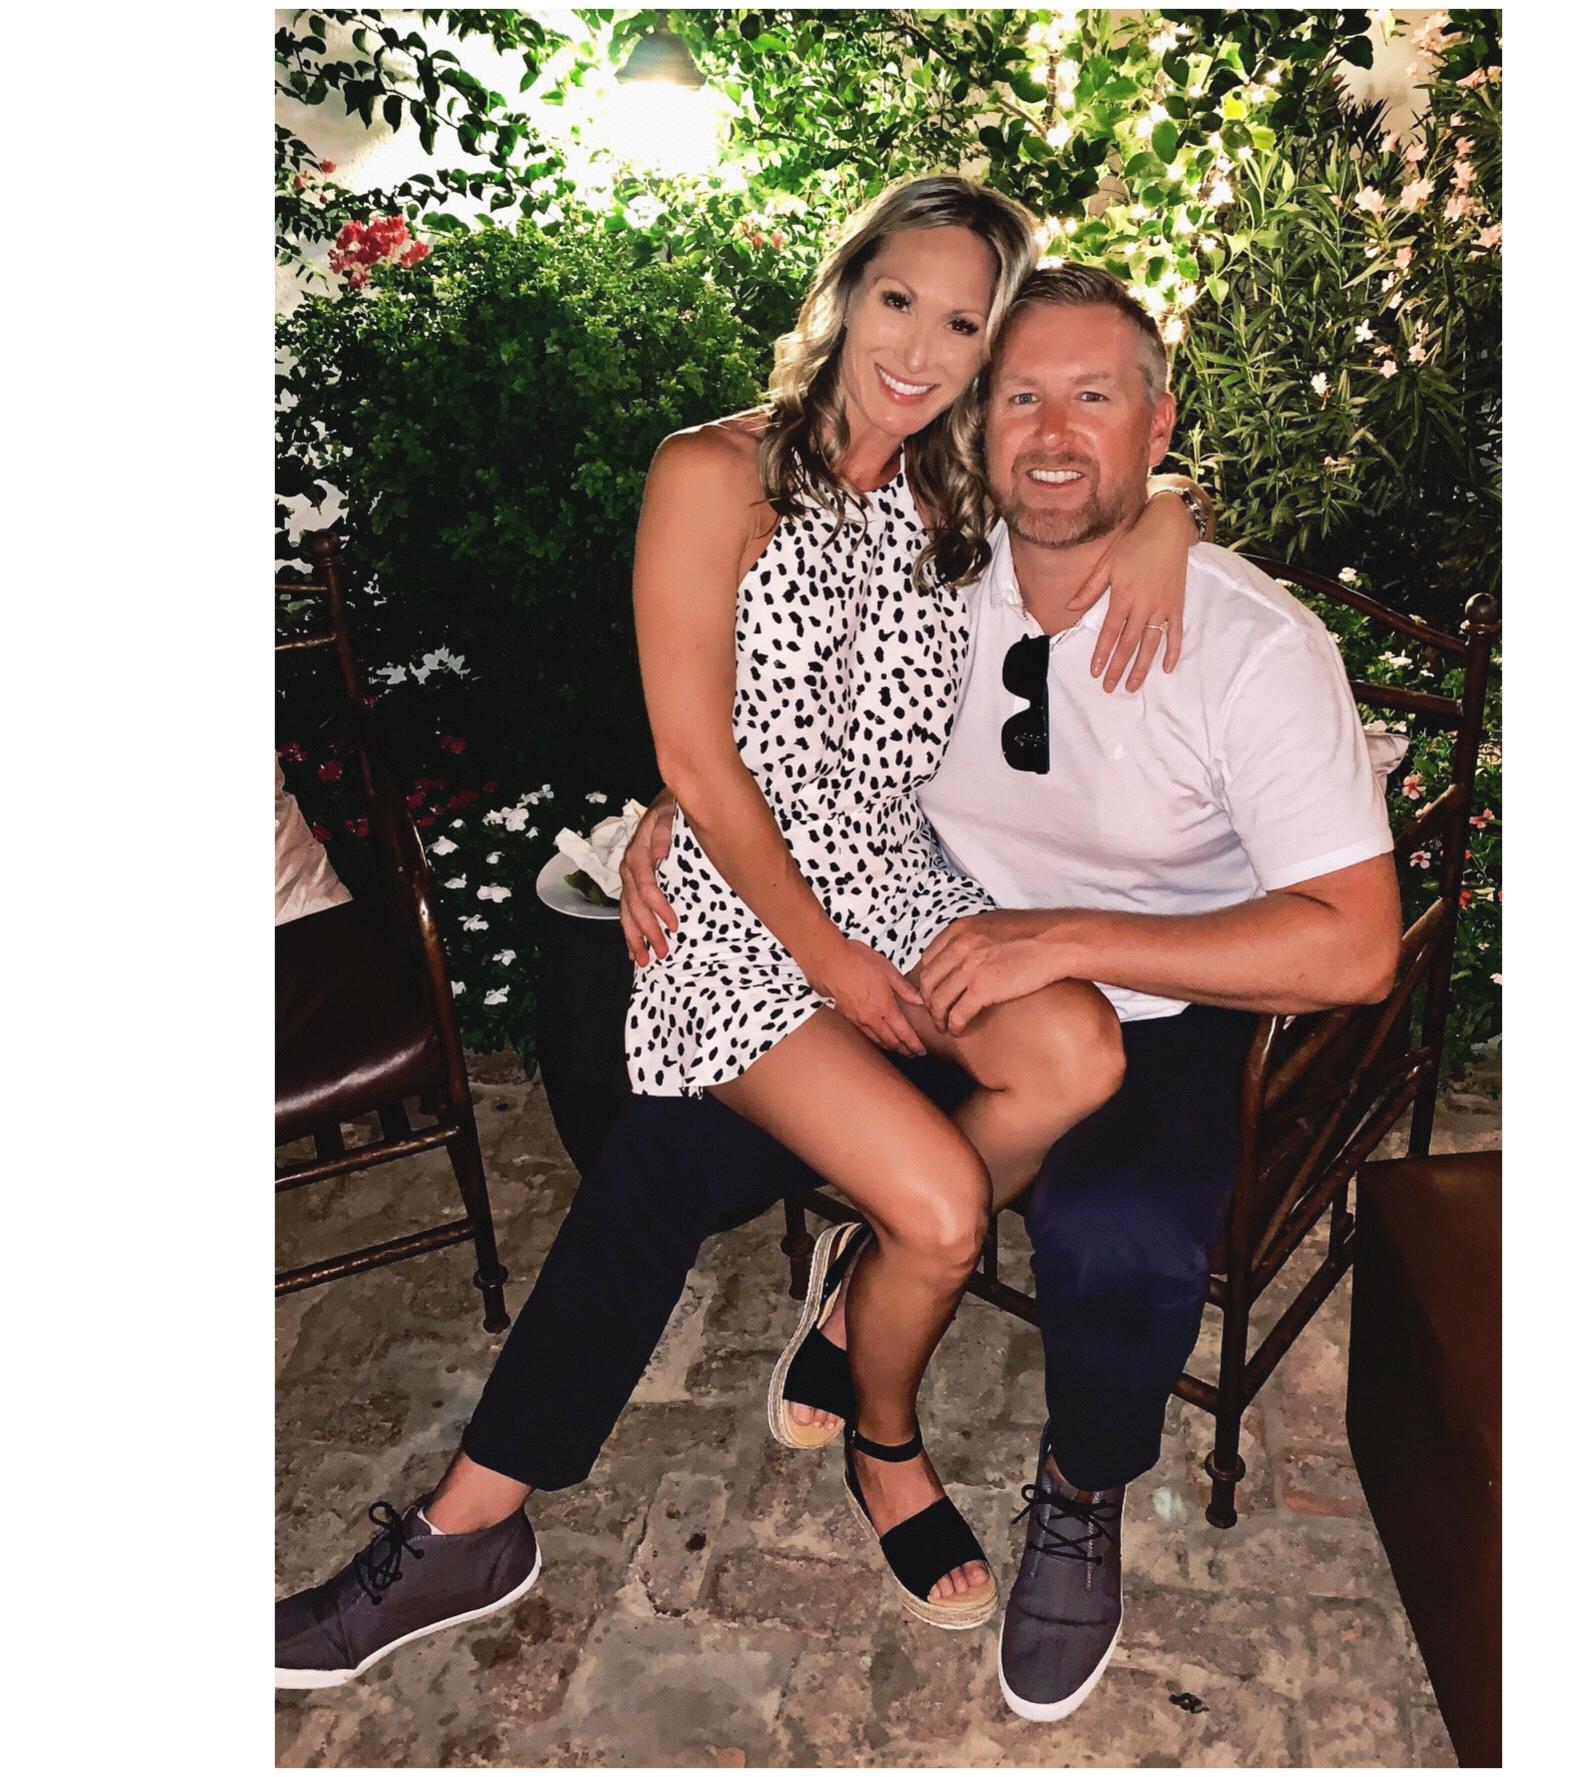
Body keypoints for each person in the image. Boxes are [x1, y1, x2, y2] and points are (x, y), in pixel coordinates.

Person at [275, 180, 1208, 1686]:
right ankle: (881, 1443)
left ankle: (818, 1312)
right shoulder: (707, 471)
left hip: (895, 877)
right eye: (898, 300)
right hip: (733, 904)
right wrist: (815, 949)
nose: (919, 349)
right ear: (844, 289)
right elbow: (702, 757)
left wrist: (1168, 512)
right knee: (941, 1212)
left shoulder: (947, 501)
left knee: (1077, 1047)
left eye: (961, 324)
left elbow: (1091, 488)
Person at [617, 263, 1402, 1721]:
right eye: (1020, 395)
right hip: (936, 946)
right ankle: (874, 1297)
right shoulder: (933, 566)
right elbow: (770, 708)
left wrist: (1071, 934)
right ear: (974, 423)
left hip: (1172, 985)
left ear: (1158, 425)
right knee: (729, 1134)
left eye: (1094, 398)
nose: (1051, 432)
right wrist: (683, 803)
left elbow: (1355, 948)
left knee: (1117, 1237)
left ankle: (1081, 1482)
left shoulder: (1247, 644)